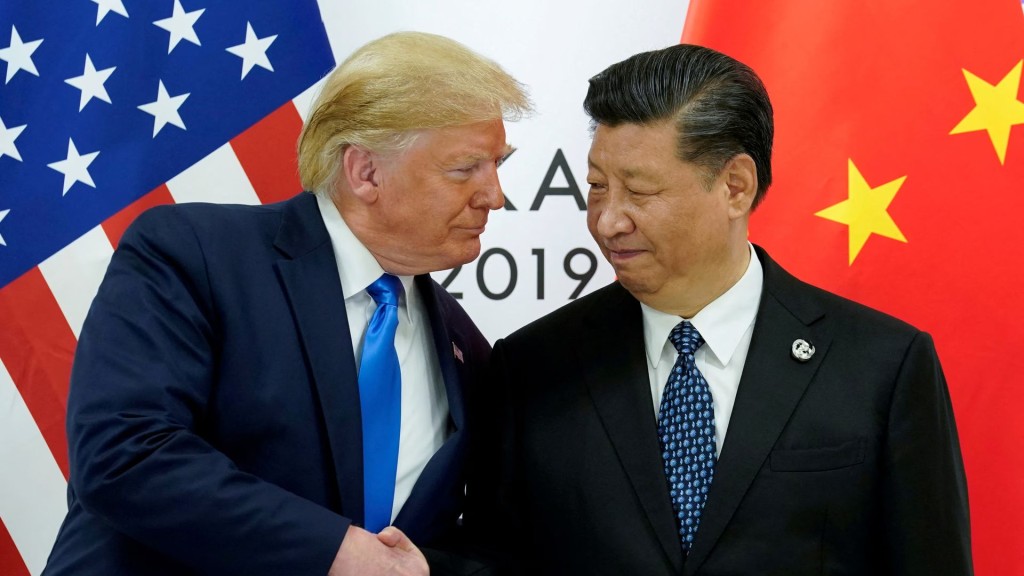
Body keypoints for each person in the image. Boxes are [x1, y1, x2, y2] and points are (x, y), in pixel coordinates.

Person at [472, 43, 972, 575]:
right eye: (597, 187)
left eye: (639, 191)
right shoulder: (532, 368)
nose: (608, 221)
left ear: (736, 186)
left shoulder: (882, 366)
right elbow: (494, 560)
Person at [43, 31, 530, 576]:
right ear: (365, 171)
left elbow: (458, 538)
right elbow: (125, 452)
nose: (494, 196)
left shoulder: (464, 344)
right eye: (466, 169)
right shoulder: (193, 254)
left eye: (498, 165)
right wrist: (334, 551)